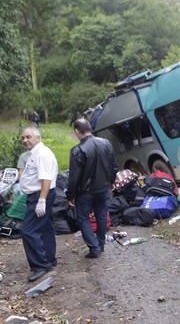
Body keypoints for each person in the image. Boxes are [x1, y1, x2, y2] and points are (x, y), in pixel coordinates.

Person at [66, 119, 118, 258]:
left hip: (86, 192)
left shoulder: (77, 150)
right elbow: (114, 166)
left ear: (77, 131)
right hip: (103, 188)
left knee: (83, 219)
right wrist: (111, 182)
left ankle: (94, 247)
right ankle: (100, 245)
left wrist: (71, 196)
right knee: (101, 216)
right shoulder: (106, 143)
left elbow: (74, 177)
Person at [19, 127, 59, 282]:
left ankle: (41, 265)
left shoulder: (42, 154)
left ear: (38, 137)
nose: (25, 140)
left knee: (28, 231)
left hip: (40, 195)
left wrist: (41, 200)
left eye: (28, 137)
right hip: (37, 195)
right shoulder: (34, 153)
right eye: (23, 138)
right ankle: (50, 258)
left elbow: (46, 179)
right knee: (45, 227)